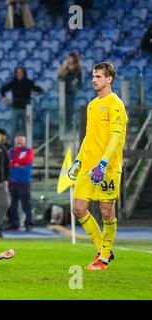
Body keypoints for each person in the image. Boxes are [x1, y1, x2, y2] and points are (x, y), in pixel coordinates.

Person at [68, 62, 128, 270]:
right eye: (93, 76)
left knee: (106, 211)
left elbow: (116, 136)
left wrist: (103, 163)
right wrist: (78, 160)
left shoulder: (115, 104)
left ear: (109, 79)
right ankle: (104, 250)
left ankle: (102, 259)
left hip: (108, 168)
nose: (94, 79)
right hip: (88, 166)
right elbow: (89, 136)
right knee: (78, 208)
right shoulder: (92, 105)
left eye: (99, 76)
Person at [0, 67, 43, 136]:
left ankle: (25, 144)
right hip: (15, 107)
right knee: (14, 127)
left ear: (24, 73)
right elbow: (3, 89)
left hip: (26, 107)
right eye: (17, 72)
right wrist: (4, 98)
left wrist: (36, 93)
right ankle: (13, 145)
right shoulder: (13, 82)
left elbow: (40, 89)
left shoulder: (29, 82)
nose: (19, 74)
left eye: (20, 72)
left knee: (25, 127)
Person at [7, 132, 35, 231]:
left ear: (25, 141)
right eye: (18, 139)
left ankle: (29, 223)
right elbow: (7, 163)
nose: (19, 141)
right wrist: (17, 162)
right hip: (12, 181)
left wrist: (14, 163)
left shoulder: (29, 151)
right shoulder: (10, 151)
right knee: (12, 204)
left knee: (26, 204)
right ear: (14, 140)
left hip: (24, 181)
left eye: (21, 139)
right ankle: (14, 223)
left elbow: (26, 161)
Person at [58, 52, 83, 129]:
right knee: (65, 108)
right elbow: (60, 77)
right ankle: (66, 124)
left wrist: (67, 68)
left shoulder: (77, 68)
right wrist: (64, 67)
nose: (68, 59)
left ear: (73, 58)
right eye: (67, 57)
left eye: (69, 57)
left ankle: (71, 124)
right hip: (64, 90)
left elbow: (74, 77)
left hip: (72, 90)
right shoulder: (65, 67)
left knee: (70, 108)